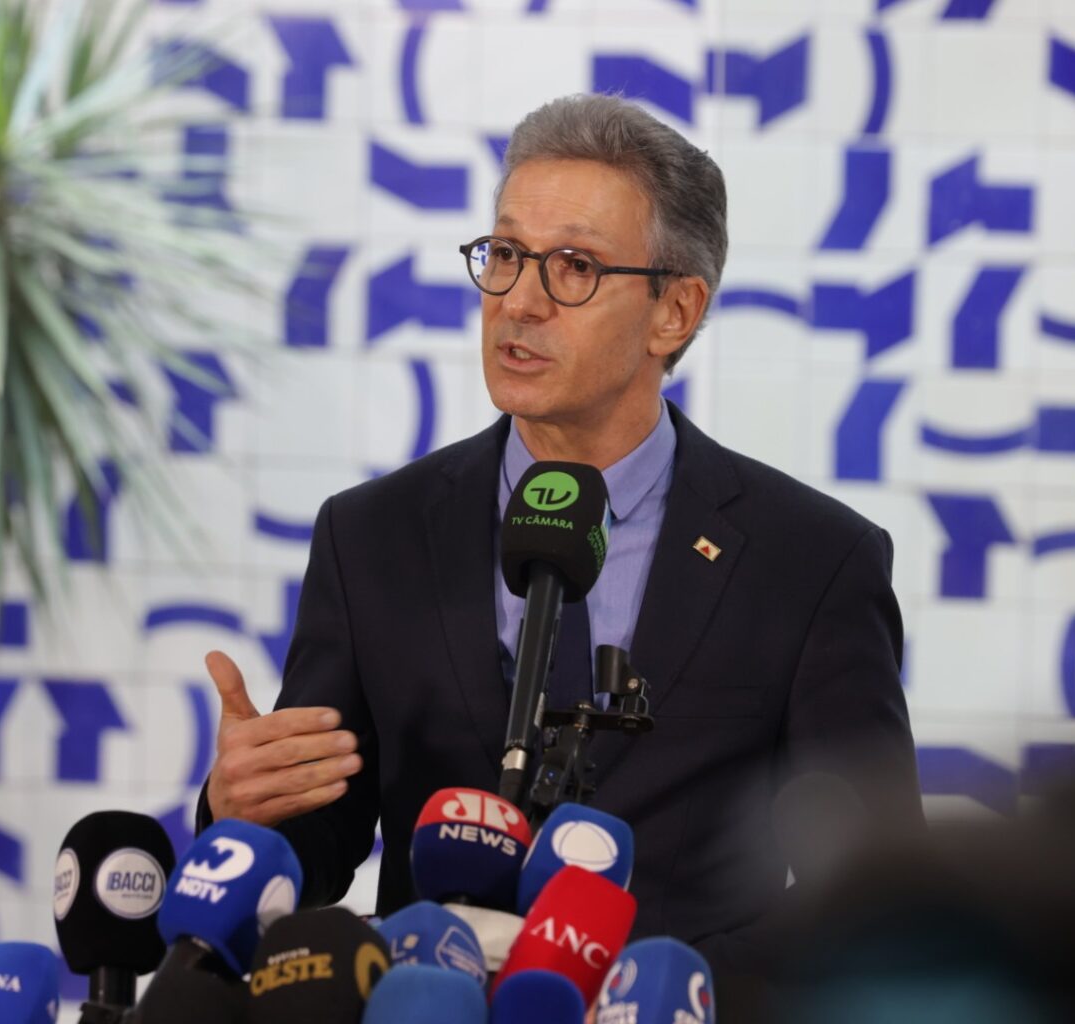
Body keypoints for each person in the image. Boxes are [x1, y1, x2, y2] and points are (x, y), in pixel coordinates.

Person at [195, 93, 923, 973]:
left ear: (674, 312)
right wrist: (244, 811)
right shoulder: (371, 535)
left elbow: (877, 895)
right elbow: (320, 845)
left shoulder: (810, 562)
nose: (519, 302)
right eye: (505, 255)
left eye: (573, 266)